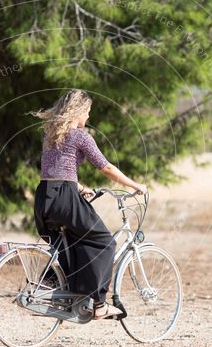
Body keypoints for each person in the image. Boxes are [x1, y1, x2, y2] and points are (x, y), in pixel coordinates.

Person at [31, 89, 147, 320]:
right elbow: (106, 167)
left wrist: (79, 187)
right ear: (80, 111)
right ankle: (99, 304)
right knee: (104, 242)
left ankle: (57, 287)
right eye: (88, 112)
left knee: (71, 243)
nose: (88, 118)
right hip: (64, 196)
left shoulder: (51, 135)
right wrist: (136, 186)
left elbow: (55, 171)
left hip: (44, 196)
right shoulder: (80, 136)